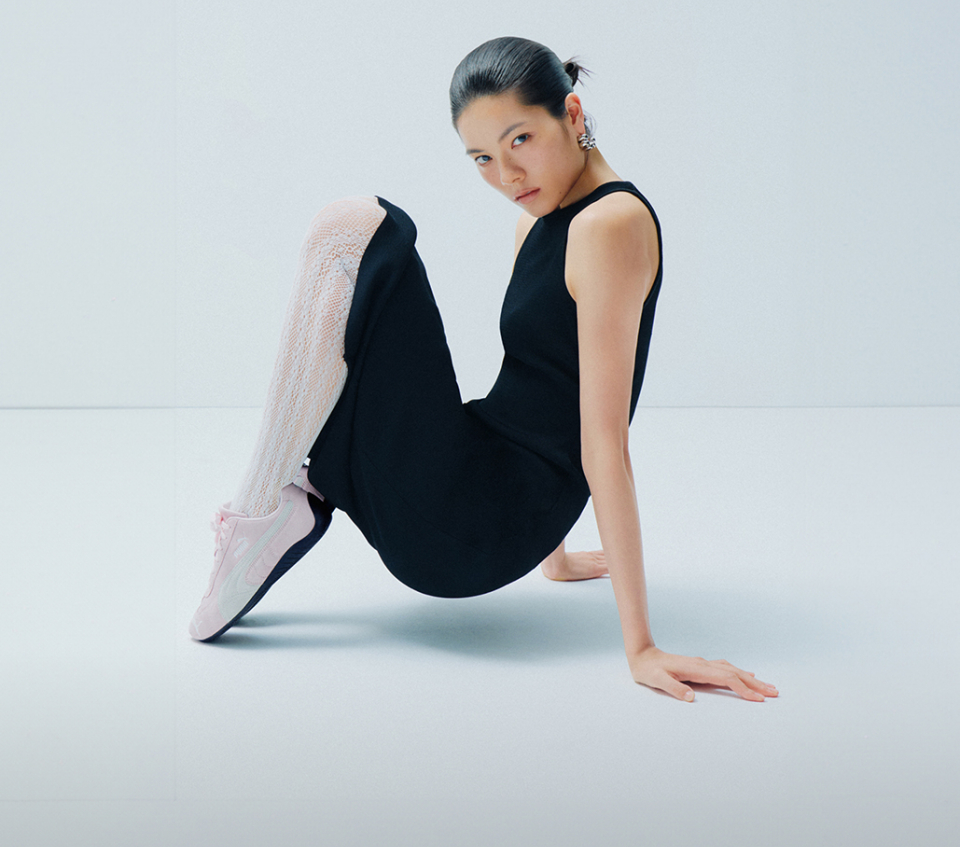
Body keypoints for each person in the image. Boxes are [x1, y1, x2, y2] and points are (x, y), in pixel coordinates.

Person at [188, 37, 778, 704]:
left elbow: (602, 442)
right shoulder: (539, 223)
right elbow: (542, 387)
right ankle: (279, 506)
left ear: (573, 115)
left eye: (520, 139)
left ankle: (260, 512)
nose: (507, 175)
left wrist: (641, 648)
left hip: (475, 525)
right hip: (477, 480)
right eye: (482, 159)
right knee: (349, 257)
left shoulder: (611, 224)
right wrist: (557, 556)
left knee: (356, 227)